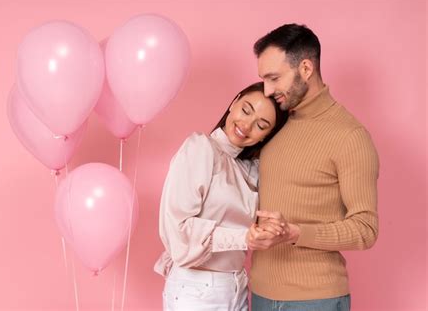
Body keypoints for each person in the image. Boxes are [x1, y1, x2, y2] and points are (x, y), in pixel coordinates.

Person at [247, 23, 380, 310]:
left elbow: (365, 229)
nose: (267, 91)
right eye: (263, 80)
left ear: (305, 68)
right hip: (259, 293)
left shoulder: (349, 136)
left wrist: (295, 233)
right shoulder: (275, 124)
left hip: (315, 299)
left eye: (274, 78)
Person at [154, 82, 288, 310]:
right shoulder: (200, 149)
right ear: (234, 102)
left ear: (267, 136)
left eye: (261, 125)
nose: (246, 126)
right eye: (246, 110)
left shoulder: (252, 170)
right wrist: (245, 237)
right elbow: (179, 231)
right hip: (196, 289)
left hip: (236, 286)